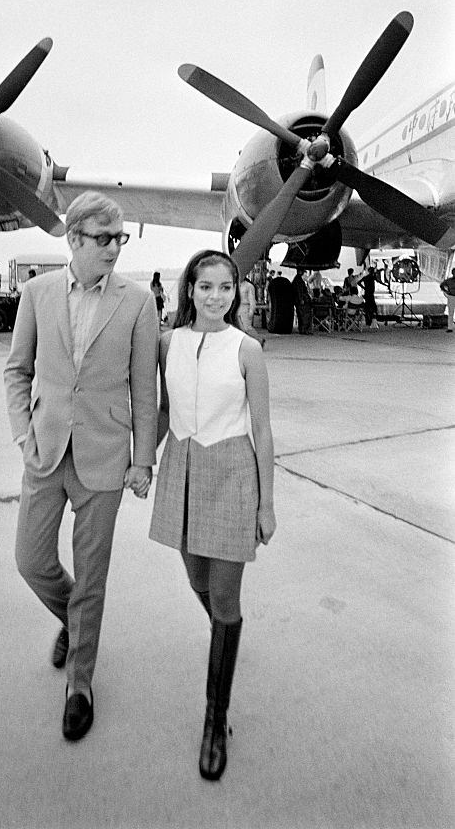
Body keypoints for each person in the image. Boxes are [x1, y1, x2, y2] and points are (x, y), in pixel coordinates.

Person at [4, 191, 159, 742]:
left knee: (92, 575)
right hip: (45, 451)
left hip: (105, 456)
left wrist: (143, 460)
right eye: (103, 239)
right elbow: (17, 370)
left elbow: (146, 388)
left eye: (120, 239)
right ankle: (75, 621)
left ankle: (81, 684)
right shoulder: (37, 292)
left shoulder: (138, 302)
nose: (115, 249)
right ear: (73, 239)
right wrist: (23, 432)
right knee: (30, 560)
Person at [149, 249, 275, 782]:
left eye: (227, 288)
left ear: (237, 293)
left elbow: (263, 430)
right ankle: (228, 636)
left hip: (230, 472)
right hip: (180, 463)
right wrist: (139, 464)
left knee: (224, 597)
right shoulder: (166, 344)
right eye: (206, 287)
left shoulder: (248, 349)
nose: (216, 297)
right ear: (190, 291)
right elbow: (159, 410)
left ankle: (214, 719)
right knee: (198, 580)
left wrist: (266, 503)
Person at [238, 275, 264, 345]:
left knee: (247, 328)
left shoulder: (249, 286)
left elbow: (252, 299)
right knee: (239, 328)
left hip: (245, 307)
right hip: (237, 308)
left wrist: (251, 310)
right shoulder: (235, 285)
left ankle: (259, 340)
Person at [292, 269, 313, 334]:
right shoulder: (299, 281)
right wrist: (301, 299)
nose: (306, 276)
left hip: (299, 300)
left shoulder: (297, 280)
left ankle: (302, 329)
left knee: (301, 315)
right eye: (305, 274)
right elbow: (299, 291)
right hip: (301, 301)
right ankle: (304, 329)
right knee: (304, 315)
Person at [439, 266, 455, 332]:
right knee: (451, 312)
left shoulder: (448, 281)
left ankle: (450, 327)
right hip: (451, 296)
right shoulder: (448, 281)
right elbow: (442, 285)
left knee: (451, 312)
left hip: (451, 295)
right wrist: (446, 292)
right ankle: (450, 327)